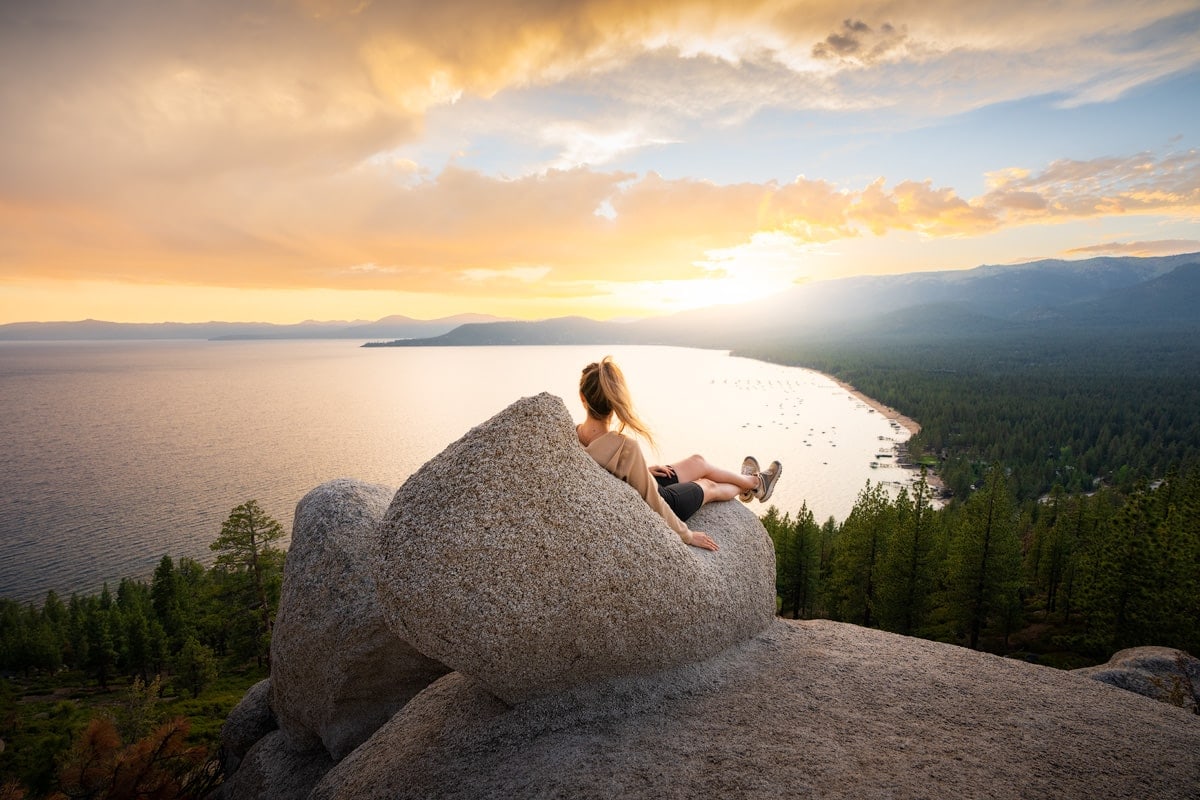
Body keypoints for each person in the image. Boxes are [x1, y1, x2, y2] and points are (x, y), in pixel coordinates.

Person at [576, 356, 782, 552]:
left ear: (582, 398)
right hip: (667, 503)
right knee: (709, 486)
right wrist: (687, 535)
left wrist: (642, 469)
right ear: (615, 401)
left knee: (698, 461)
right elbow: (654, 501)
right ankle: (748, 487)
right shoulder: (625, 447)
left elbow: (602, 466)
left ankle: (755, 483)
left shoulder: (571, 435)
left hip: (644, 482)